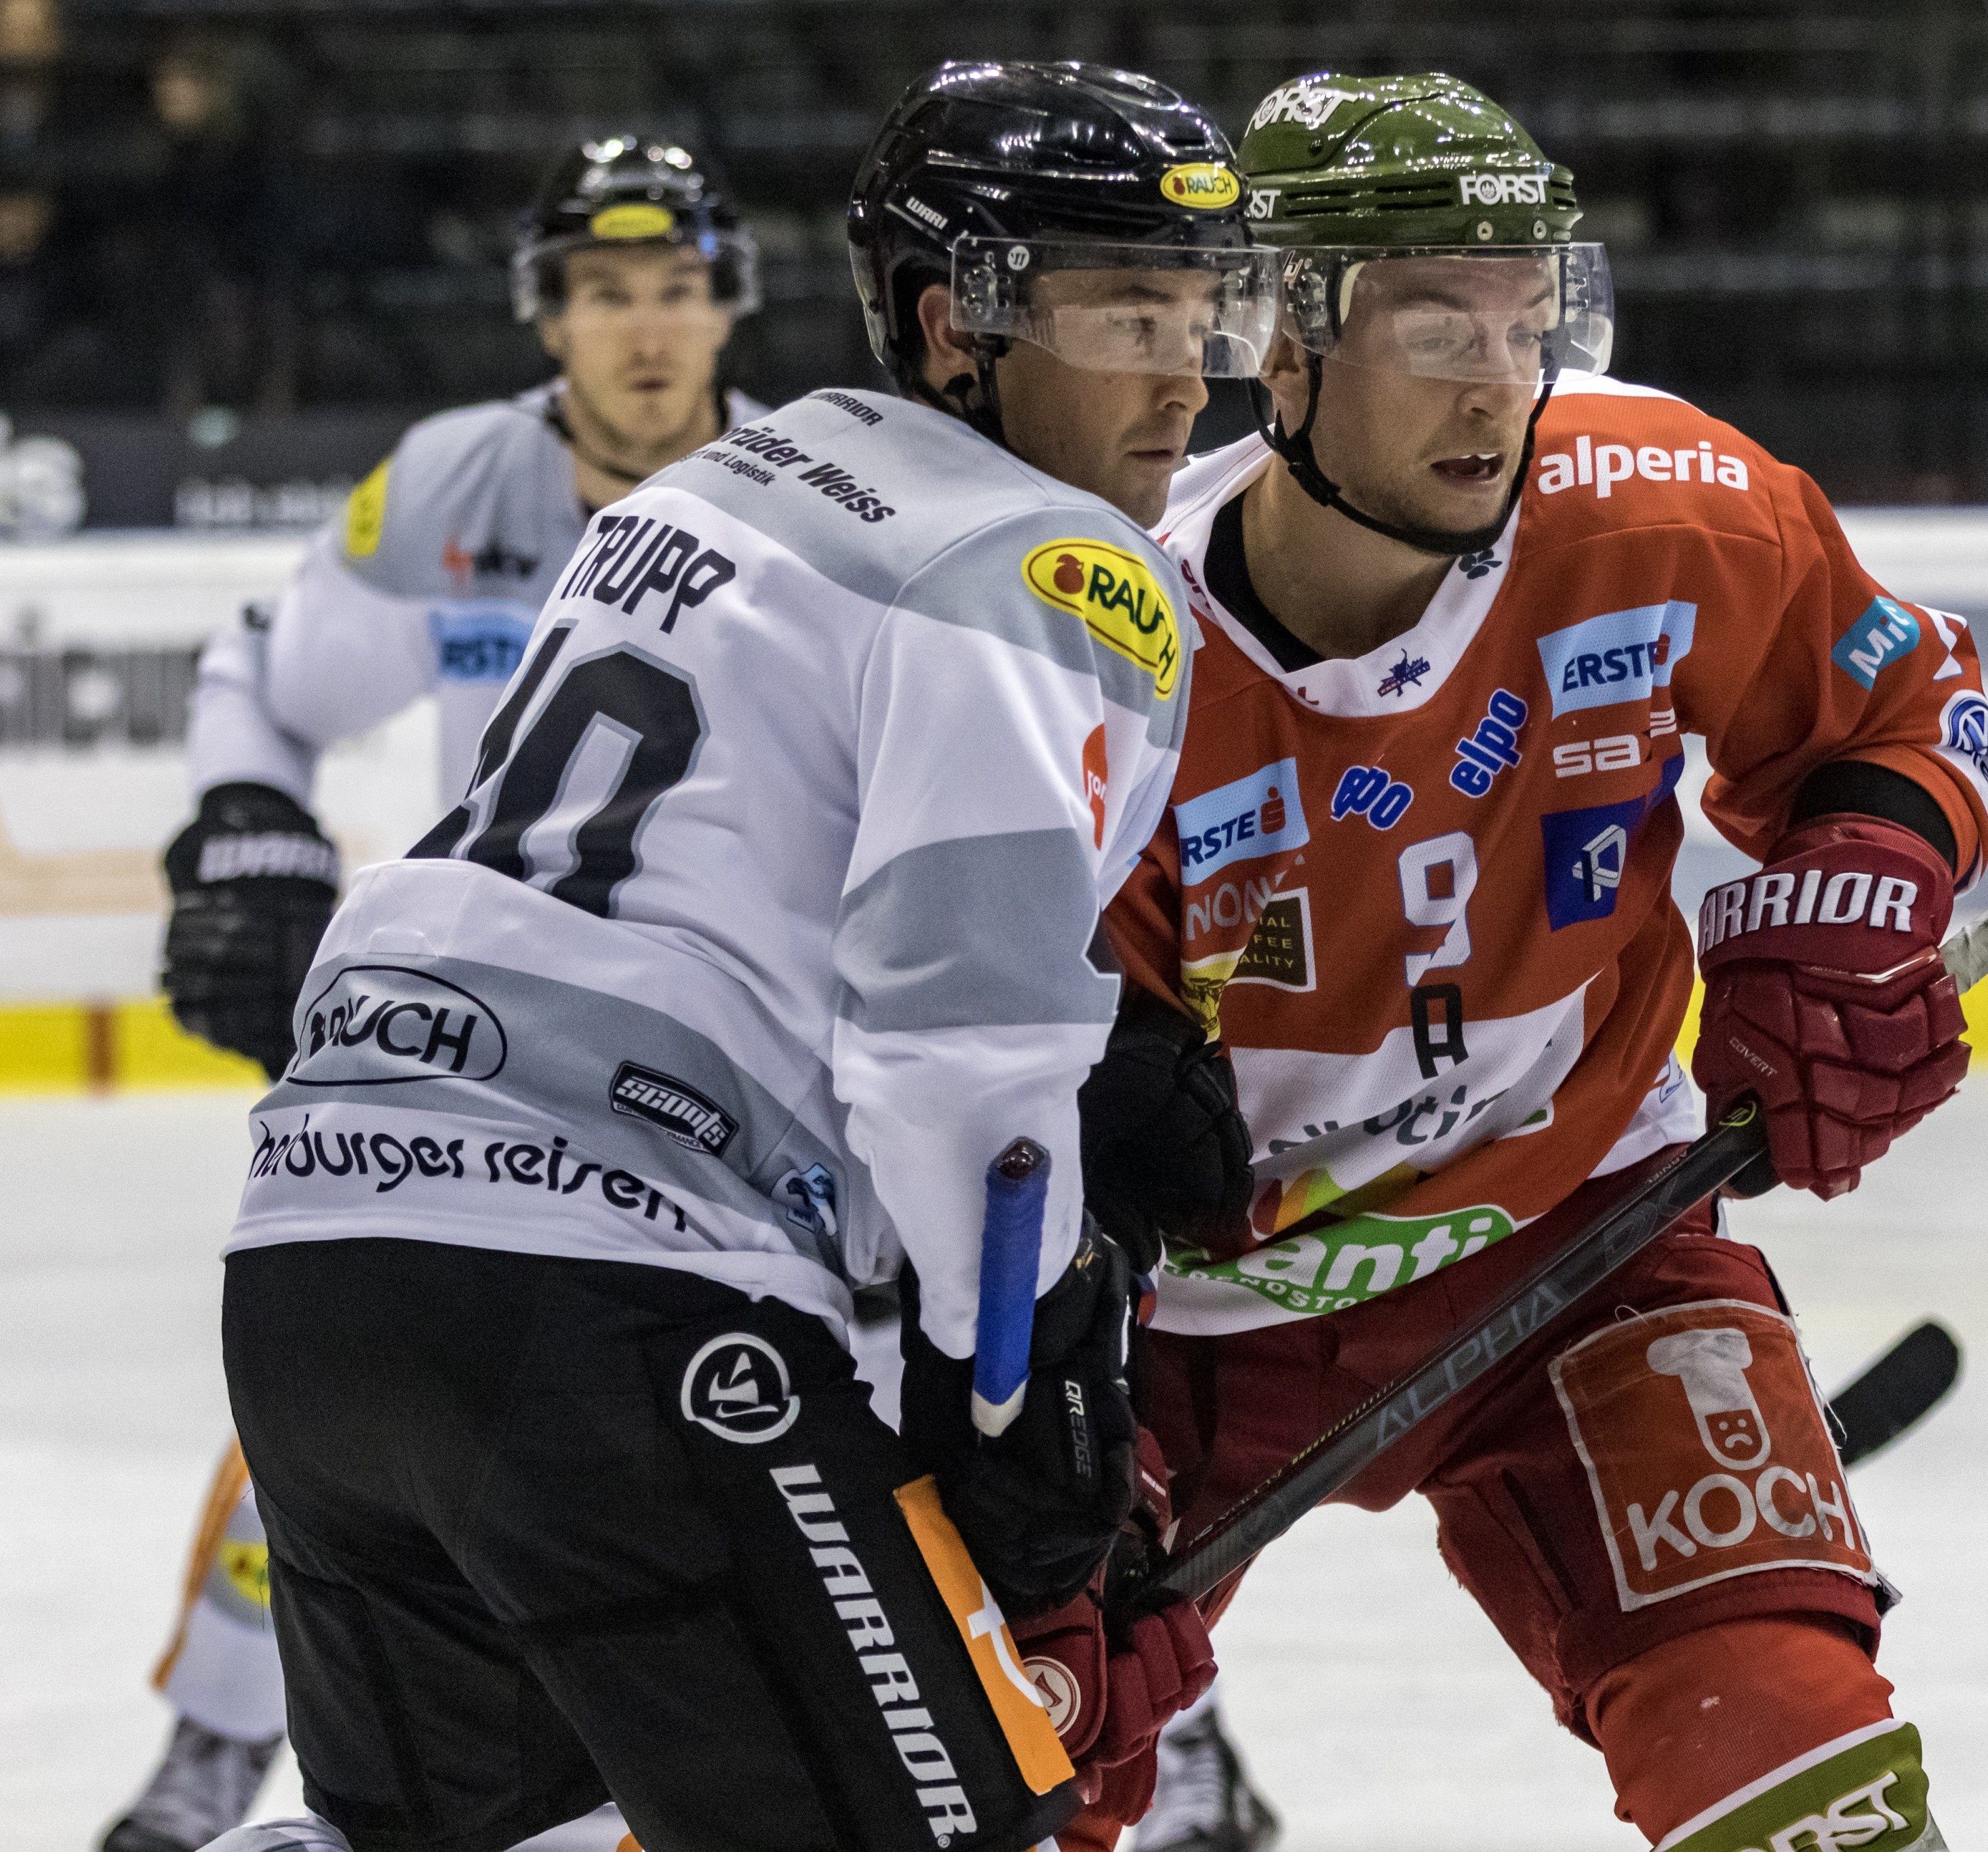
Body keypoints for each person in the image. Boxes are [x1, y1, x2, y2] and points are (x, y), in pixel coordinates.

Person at [199, 60, 1267, 1852]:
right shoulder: (1051, 562)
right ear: (953, 324)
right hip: (601, 1303)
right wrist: (1011, 1384)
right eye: (1120, 311)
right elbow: (958, 1043)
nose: (1184, 375)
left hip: (318, 1251)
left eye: (1200, 311)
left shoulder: (714, 486)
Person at [1073, 73, 1988, 1852]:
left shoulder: (1662, 507)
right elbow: (940, 1057)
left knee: (1792, 1751)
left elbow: (1897, 706)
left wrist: (1869, 877)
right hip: (1148, 1333)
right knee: (933, 1778)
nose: (1501, 378)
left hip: (1577, 1233)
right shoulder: (1093, 644)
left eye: (1529, 316)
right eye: (1435, 325)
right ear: (1282, 345)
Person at [110, 134, 768, 1852]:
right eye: (605, 292)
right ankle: (215, 1742)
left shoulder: (797, 495)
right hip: (475, 1041)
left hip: (718, 1053)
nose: (645, 330)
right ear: (547, 314)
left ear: (726, 307)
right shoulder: (455, 487)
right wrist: (249, 826)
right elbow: (265, 670)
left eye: (677, 290)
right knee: (360, 1411)